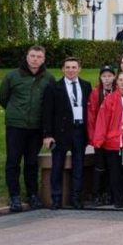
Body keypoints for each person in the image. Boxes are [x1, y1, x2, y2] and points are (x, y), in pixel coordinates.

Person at [0, 46, 55, 212]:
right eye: (32, 56)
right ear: (27, 57)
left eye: (39, 56)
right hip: (16, 125)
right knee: (13, 161)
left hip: (36, 127)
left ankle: (32, 194)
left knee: (31, 162)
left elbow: (50, 102)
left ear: (43, 59)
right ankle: (14, 195)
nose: (35, 59)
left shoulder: (48, 78)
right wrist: (15, 112)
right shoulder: (12, 76)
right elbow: (3, 97)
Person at [41, 57, 93, 210]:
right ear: (63, 69)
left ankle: (76, 197)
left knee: (78, 166)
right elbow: (47, 113)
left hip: (80, 130)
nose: (71, 70)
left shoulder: (85, 86)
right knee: (57, 166)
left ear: (79, 69)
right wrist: (47, 134)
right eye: (68, 67)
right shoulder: (53, 87)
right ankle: (56, 198)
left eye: (74, 67)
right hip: (61, 132)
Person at [91, 71, 123, 208]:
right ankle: (118, 200)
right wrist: (99, 140)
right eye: (120, 80)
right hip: (112, 142)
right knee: (115, 174)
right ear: (117, 82)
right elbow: (102, 120)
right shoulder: (110, 99)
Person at [87, 65, 117, 206]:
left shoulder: (117, 92)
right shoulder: (95, 93)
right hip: (99, 136)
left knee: (112, 166)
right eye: (104, 76)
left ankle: (109, 192)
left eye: (109, 76)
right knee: (100, 166)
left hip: (113, 136)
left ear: (114, 77)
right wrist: (94, 137)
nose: (107, 79)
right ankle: (97, 193)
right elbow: (91, 116)